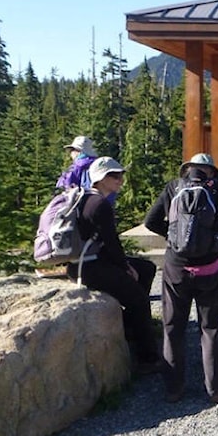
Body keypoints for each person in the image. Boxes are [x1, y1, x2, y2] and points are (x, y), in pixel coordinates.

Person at [144, 153, 218, 404]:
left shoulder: (173, 188)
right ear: (210, 171)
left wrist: (174, 239)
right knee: (210, 328)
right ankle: (216, 387)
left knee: (173, 326)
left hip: (176, 267)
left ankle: (174, 388)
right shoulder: (217, 189)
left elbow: (150, 221)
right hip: (209, 267)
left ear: (187, 170)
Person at [73, 156, 161, 375]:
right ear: (100, 178)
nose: (120, 180)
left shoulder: (86, 198)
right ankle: (147, 358)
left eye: (121, 175)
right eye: (114, 176)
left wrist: (126, 266)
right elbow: (111, 242)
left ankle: (130, 327)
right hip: (91, 267)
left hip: (85, 262)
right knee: (139, 299)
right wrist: (124, 267)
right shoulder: (99, 204)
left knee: (147, 269)